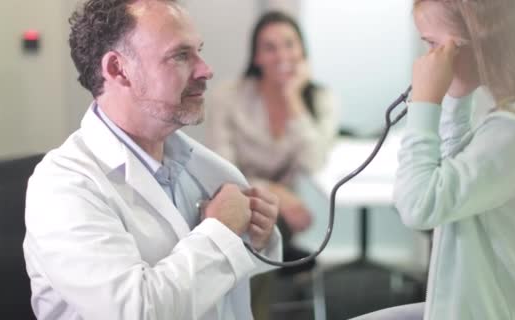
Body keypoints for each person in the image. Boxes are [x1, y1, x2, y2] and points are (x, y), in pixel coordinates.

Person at [22, 1, 282, 319]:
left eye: (198, 51)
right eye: (181, 55)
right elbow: (137, 312)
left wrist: (257, 233)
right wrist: (223, 229)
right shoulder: (63, 186)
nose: (205, 69)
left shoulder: (202, 166)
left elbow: (231, 281)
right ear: (119, 70)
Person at [355, 0, 515, 319]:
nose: (427, 59)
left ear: (481, 44)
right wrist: (454, 98)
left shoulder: (514, 135)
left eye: (432, 44)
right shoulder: (513, 120)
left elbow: (418, 206)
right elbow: (453, 170)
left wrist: (425, 104)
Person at [205, 10, 338, 270]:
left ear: (303, 50)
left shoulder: (322, 99)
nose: (281, 56)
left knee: (262, 229)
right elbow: (222, 172)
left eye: (289, 44)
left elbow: (315, 164)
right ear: (257, 57)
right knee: (254, 227)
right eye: (269, 48)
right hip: (233, 200)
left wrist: (292, 98)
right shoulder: (228, 98)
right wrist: (277, 194)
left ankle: (252, 306)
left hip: (282, 215)